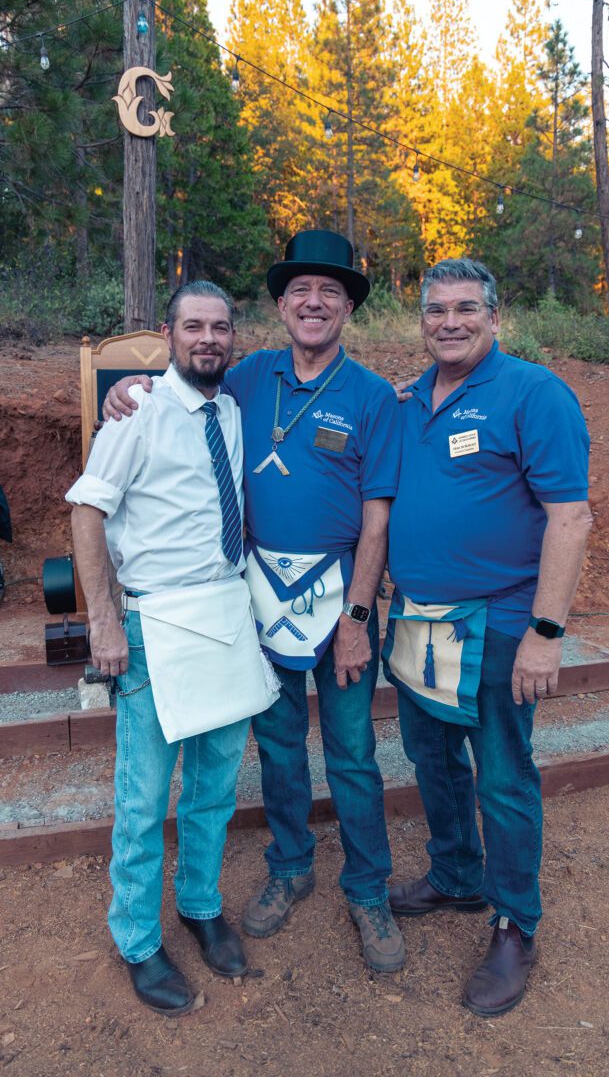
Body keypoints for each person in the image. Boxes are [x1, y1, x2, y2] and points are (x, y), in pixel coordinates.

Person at [104, 230, 405, 973]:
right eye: (300, 290)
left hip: (339, 602)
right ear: (278, 306)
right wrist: (126, 386)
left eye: (329, 292)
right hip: (254, 603)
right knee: (275, 748)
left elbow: (377, 520)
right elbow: (179, 386)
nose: (313, 302)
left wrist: (359, 620)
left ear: (345, 310)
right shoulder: (245, 377)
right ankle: (289, 867)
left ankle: (367, 891)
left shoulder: (370, 396)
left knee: (354, 754)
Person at [384, 258, 592, 1017]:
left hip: (498, 624)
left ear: (494, 317)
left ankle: (514, 923)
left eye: (465, 308)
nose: (449, 321)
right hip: (416, 618)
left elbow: (569, 516)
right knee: (431, 757)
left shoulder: (533, 394)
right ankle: (455, 875)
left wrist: (544, 631)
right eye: (435, 309)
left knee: (502, 775)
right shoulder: (408, 400)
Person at [66, 281, 275, 1018]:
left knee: (215, 786)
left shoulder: (235, 409)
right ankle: (136, 941)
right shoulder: (139, 412)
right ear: (169, 333)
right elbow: (87, 512)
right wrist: (104, 622)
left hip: (225, 616)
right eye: (194, 327)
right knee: (144, 797)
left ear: (232, 337)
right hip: (156, 628)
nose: (208, 339)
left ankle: (199, 904)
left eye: (220, 327)